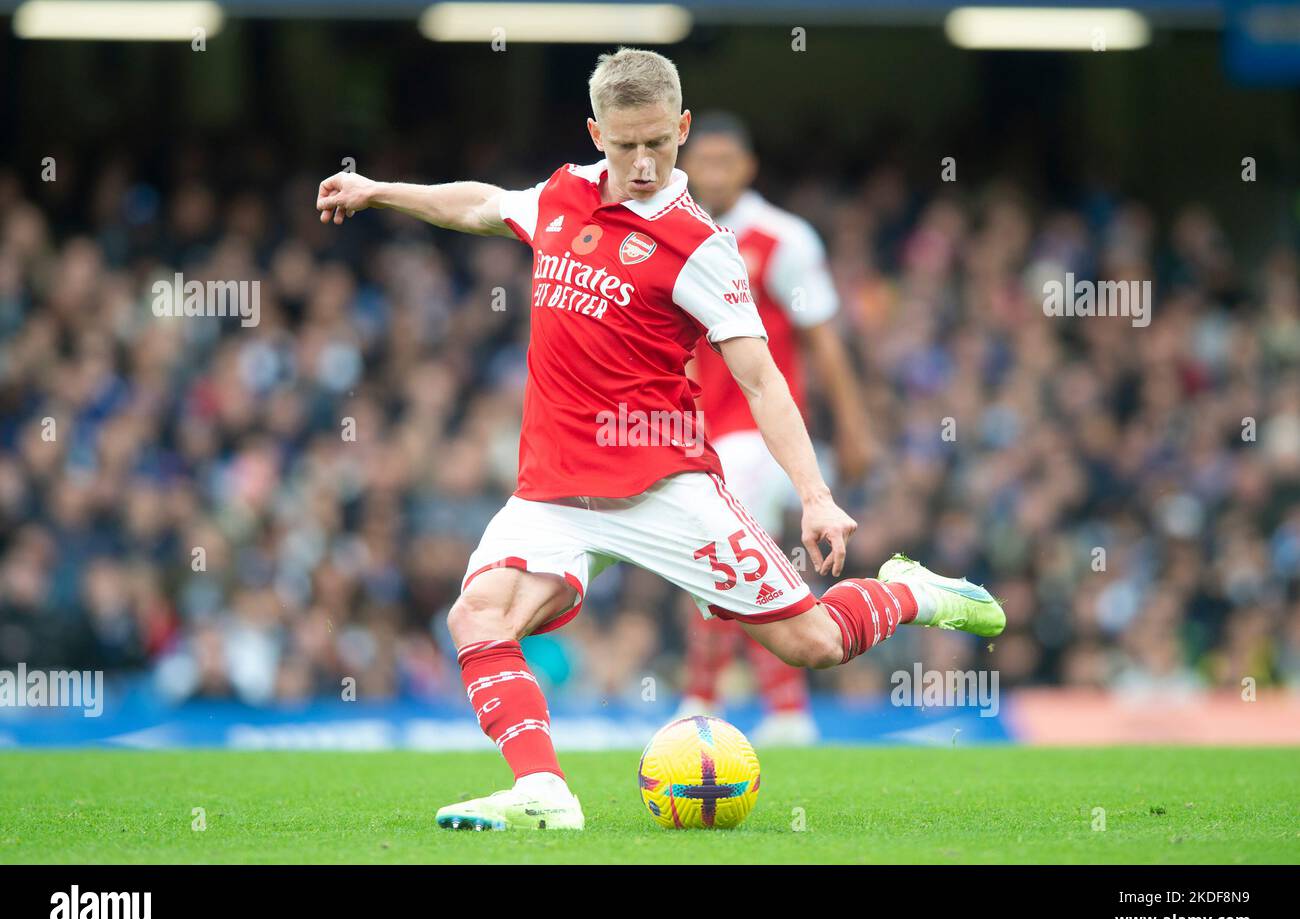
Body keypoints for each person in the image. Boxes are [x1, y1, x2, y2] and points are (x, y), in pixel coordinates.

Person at [316, 47, 1004, 832]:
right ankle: (544, 791)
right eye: (623, 145)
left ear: (680, 127)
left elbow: (762, 379)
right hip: (553, 492)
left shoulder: (700, 245)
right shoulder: (563, 195)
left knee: (811, 642)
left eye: (658, 144)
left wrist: (816, 496)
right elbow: (478, 205)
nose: (642, 165)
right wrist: (378, 190)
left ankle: (913, 589)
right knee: (478, 616)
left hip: (663, 488)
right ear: (595, 133)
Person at [676, 111, 870, 745]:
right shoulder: (675, 234)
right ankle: (746, 704)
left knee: (731, 555)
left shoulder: (782, 239)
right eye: (703, 161)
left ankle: (761, 707)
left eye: (725, 161)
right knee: (718, 561)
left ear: (748, 167)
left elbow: (823, 339)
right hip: (700, 433)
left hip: (758, 433)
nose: (714, 172)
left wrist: (854, 429)